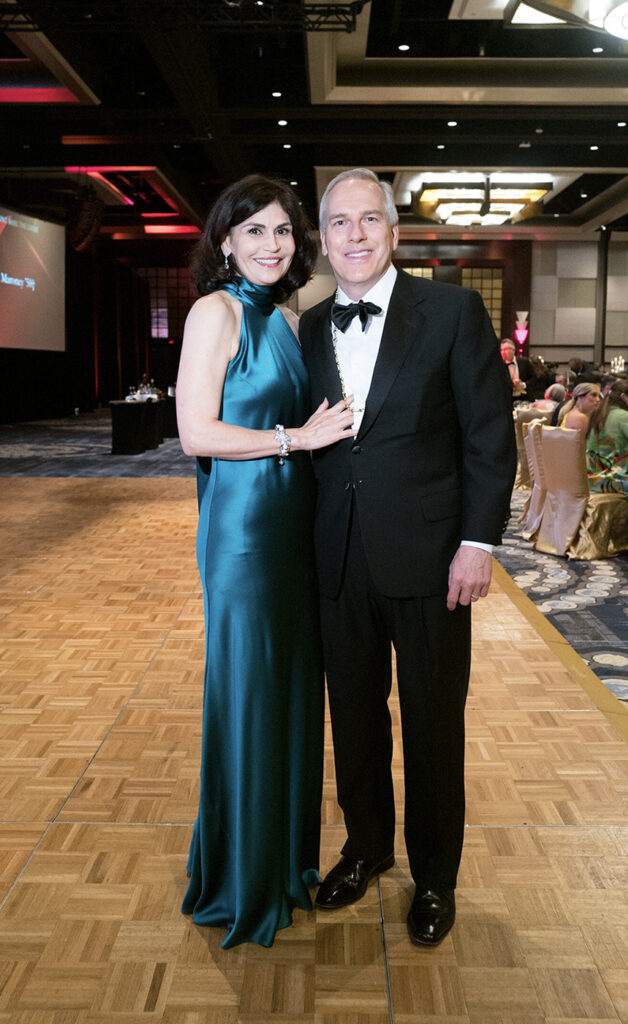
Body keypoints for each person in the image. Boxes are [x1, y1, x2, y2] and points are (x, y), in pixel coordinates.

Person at [298, 169, 516, 948]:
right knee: (353, 722)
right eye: (338, 223)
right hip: (338, 558)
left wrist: (476, 543)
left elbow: (489, 437)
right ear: (323, 239)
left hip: (431, 560)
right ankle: (365, 849)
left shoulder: (452, 310)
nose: (353, 235)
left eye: (368, 221)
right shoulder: (310, 324)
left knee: (430, 726)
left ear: (393, 232)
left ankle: (433, 876)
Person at [176, 174, 355, 949]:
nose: (270, 245)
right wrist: (295, 440)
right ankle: (242, 883)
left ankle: (282, 866)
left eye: (282, 232)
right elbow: (194, 434)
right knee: (250, 697)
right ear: (225, 239)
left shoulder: (285, 317)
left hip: (292, 533)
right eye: (253, 232)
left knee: (286, 698)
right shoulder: (214, 313)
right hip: (244, 535)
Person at [586, 379, 628, 543]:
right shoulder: (625, 417)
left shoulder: (600, 413)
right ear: (623, 396)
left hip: (591, 476)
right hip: (611, 478)